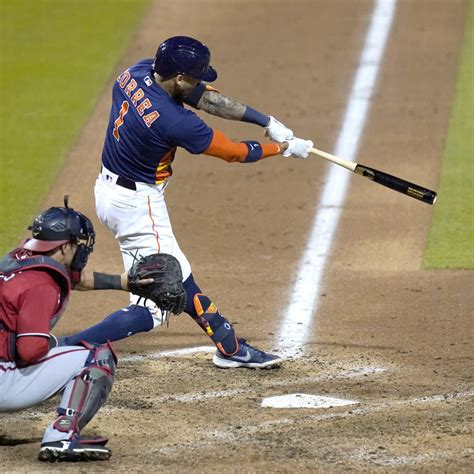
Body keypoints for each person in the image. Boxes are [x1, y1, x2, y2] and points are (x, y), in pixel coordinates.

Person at [93, 36, 314, 369]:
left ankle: (229, 346)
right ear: (179, 78)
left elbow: (207, 99)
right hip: (136, 206)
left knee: (177, 276)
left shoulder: (137, 72)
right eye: (195, 78)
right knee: (155, 305)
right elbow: (234, 152)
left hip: (109, 190)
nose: (199, 83)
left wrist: (266, 122)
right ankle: (63, 346)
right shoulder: (175, 122)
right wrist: (283, 148)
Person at [0, 200, 153, 462]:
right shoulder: (41, 285)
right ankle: (62, 436)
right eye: (77, 243)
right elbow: (29, 351)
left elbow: (72, 279)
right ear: (64, 247)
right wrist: (56, 343)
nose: (82, 249)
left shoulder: (16, 261)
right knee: (96, 356)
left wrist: (124, 282)